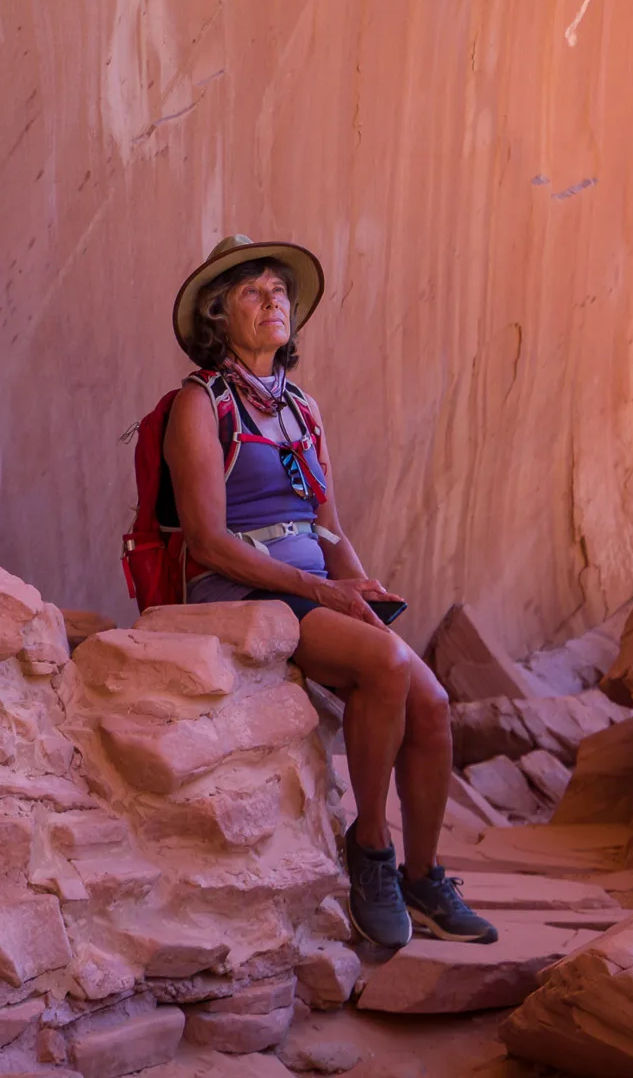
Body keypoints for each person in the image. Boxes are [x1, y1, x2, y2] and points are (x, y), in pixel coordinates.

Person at [164, 233, 497, 951]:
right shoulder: (200, 405)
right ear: (220, 316)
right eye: (251, 291)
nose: (272, 298)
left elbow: (328, 527)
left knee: (432, 704)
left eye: (278, 288)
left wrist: (356, 584)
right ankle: (371, 850)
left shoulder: (301, 409)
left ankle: (423, 874)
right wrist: (318, 590)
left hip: (310, 590)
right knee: (384, 668)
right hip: (238, 593)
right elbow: (206, 542)